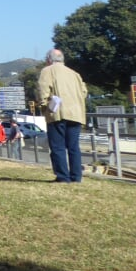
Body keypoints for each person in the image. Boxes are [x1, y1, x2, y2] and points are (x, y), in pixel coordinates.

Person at [37, 48, 88, 183]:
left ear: (49, 59)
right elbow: (84, 92)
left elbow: (43, 91)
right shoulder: (74, 73)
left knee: (57, 146)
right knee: (73, 147)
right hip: (76, 113)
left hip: (57, 112)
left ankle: (63, 176)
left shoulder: (47, 71)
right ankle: (76, 176)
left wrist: (44, 106)